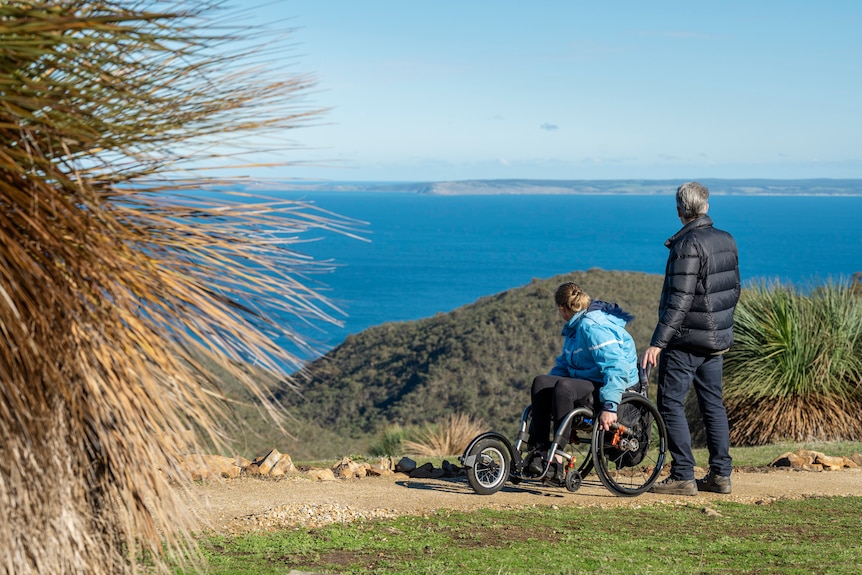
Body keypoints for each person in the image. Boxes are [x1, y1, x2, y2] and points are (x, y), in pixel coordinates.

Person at [642, 182, 740, 496]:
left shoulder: (688, 244)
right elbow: (734, 290)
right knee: (713, 405)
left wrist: (658, 342)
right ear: (706, 206)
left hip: (685, 342)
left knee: (670, 403)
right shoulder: (726, 239)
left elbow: (680, 301)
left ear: (680, 210)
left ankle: (683, 474)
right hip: (716, 340)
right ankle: (720, 475)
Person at [528, 282, 639, 482]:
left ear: (562, 309)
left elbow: (617, 367)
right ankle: (541, 452)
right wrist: (543, 398)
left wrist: (610, 406)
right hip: (588, 382)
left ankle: (557, 461)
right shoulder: (574, 329)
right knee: (541, 382)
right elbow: (564, 366)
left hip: (611, 387)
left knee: (564, 387)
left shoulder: (591, 326)